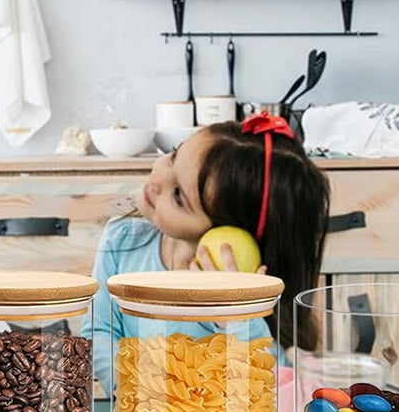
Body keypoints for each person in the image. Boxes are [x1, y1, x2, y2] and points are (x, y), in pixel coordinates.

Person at [87, 114, 330, 394]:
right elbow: (99, 332)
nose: (158, 180)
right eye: (173, 156)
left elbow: (269, 382)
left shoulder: (238, 290)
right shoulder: (123, 239)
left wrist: (236, 315)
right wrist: (141, 395)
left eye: (178, 196)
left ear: (230, 232)